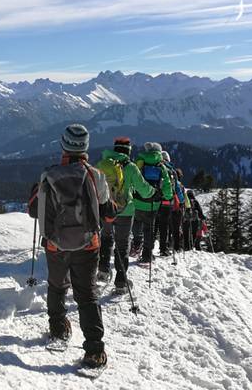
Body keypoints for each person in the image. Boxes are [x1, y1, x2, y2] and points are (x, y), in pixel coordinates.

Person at [27, 123, 114, 369]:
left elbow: (33, 209)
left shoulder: (49, 175)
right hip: (89, 245)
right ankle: (94, 351)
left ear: (63, 145)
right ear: (86, 147)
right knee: (87, 295)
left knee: (56, 287)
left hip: (56, 246)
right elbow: (109, 213)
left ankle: (58, 329)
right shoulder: (96, 176)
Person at [95, 137, 155, 293]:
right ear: (128, 151)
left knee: (106, 238)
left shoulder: (102, 165)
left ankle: (102, 271)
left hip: (106, 209)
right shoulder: (131, 167)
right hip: (125, 211)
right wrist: (153, 192)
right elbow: (143, 189)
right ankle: (121, 283)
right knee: (122, 245)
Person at [132, 142, 173, 264]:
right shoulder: (161, 167)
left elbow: (132, 180)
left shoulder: (139, 163)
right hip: (153, 204)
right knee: (149, 229)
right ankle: (147, 256)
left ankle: (136, 243)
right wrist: (167, 197)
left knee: (137, 222)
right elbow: (167, 187)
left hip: (137, 201)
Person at [157, 151, 182, 257]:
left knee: (157, 226)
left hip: (155, 200)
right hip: (168, 202)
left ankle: (150, 249)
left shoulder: (157, 168)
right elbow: (176, 188)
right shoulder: (172, 170)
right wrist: (181, 200)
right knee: (166, 226)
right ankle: (164, 248)